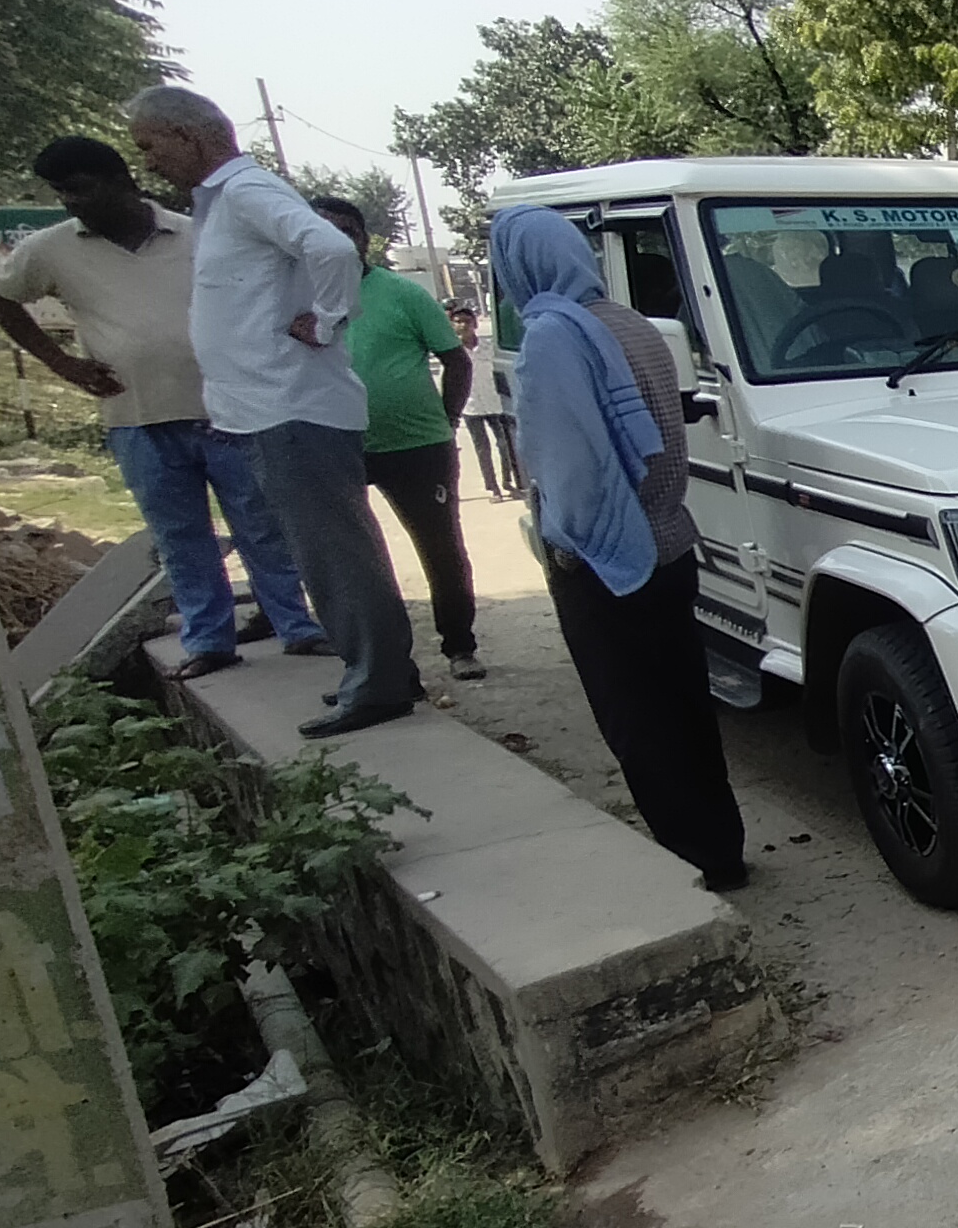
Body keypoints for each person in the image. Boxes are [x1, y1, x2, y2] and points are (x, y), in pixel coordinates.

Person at [124, 87, 420, 737]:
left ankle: (379, 683)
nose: (147, 161)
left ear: (187, 135)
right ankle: (378, 673)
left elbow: (333, 248)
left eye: (150, 145)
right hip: (269, 409)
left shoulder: (246, 192)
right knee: (330, 552)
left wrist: (329, 318)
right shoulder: (225, 201)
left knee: (334, 554)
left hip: (293, 408)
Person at [0, 137, 328, 680]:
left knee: (261, 524)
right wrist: (62, 363)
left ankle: (297, 627)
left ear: (121, 181)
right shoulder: (50, 249)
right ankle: (210, 641)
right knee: (179, 536)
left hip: (226, 410)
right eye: (61, 191)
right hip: (135, 417)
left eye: (80, 188)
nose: (70, 201)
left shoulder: (197, 235)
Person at [492, 207, 746, 890]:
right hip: (670, 540)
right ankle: (722, 847)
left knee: (636, 716)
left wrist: (569, 551)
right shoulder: (633, 324)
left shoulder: (552, 337)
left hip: (606, 557)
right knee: (686, 705)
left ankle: (691, 861)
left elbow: (571, 470)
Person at [312, 196, 484, 682]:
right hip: (336, 447)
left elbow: (456, 360)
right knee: (351, 558)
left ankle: (460, 645)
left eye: (346, 231)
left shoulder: (402, 293)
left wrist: (447, 420)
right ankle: (377, 663)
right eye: (322, 230)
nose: (336, 240)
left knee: (440, 548)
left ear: (363, 240)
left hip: (417, 449)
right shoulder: (295, 298)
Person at [450, 303, 523, 498]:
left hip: (494, 402)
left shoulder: (488, 347)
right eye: (458, 322)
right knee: (482, 448)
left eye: (467, 321)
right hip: (471, 406)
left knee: (504, 445)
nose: (462, 325)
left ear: (474, 324)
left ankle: (508, 482)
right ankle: (493, 487)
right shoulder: (453, 353)